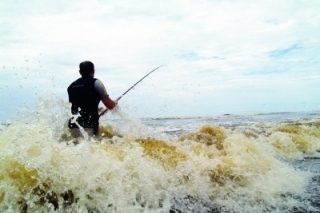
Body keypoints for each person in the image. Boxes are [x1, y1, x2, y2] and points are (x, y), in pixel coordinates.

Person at [67, 61, 117, 137]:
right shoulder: (96, 83)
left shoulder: (71, 87)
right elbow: (109, 105)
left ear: (80, 72)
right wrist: (114, 103)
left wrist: (96, 110)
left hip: (73, 126)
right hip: (89, 126)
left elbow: (79, 105)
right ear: (93, 71)